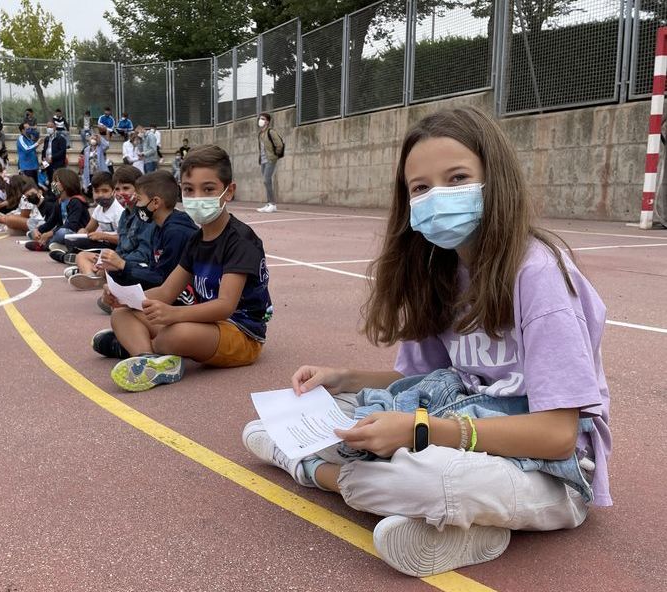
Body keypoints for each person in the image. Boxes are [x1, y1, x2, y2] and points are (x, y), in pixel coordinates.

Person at [242, 107, 612, 578]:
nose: (439, 197)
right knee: (301, 414)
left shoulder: (537, 274)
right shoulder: (439, 270)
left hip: (549, 473)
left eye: (457, 178)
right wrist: (343, 377)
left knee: (430, 477)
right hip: (460, 424)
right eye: (421, 188)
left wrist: (420, 431)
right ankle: (464, 526)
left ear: (494, 180)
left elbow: (558, 436)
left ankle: (312, 470)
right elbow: (421, 380)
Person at [106, 145, 272, 392]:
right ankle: (148, 359)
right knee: (121, 315)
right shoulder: (196, 239)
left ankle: (144, 346)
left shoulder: (240, 240)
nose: (197, 197)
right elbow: (165, 292)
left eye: (208, 189)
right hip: (204, 323)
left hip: (241, 332)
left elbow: (225, 306)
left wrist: (173, 315)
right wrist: (123, 298)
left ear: (228, 191)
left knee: (173, 336)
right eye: (188, 190)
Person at [79, 170, 195, 296]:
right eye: (117, 189)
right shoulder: (158, 226)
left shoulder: (175, 232)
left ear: (155, 203)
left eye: (139, 199)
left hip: (181, 292)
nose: (137, 205)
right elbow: (154, 268)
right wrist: (115, 263)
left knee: (120, 311)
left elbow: (164, 279)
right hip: (159, 281)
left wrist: (122, 264)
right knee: (100, 267)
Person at [52, 171, 123, 268]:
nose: (101, 195)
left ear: (113, 191)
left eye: (105, 191)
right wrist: (82, 232)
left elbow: (124, 240)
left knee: (75, 242)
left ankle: (67, 255)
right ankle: (70, 255)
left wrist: (103, 236)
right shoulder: (99, 208)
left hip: (116, 248)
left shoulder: (119, 211)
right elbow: (88, 229)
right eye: (97, 191)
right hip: (104, 243)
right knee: (73, 240)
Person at [27, 169, 89, 252]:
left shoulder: (76, 201)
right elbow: (51, 222)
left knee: (62, 232)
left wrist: (50, 234)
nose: (53, 184)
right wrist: (38, 230)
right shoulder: (59, 202)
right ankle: (55, 245)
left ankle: (47, 245)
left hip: (76, 233)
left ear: (66, 183)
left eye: (56, 181)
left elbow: (71, 225)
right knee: (36, 231)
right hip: (63, 232)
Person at [256, 112, 285, 213]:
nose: (260, 120)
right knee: (266, 182)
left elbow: (280, 144)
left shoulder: (271, 132)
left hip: (270, 159)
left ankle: (272, 204)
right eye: (260, 118)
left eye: (263, 119)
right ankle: (269, 204)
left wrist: (274, 156)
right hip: (263, 160)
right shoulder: (260, 134)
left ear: (267, 122)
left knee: (266, 180)